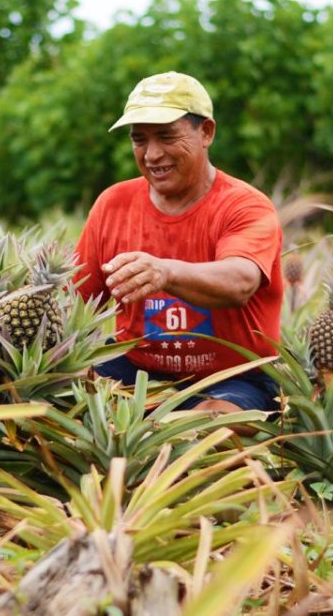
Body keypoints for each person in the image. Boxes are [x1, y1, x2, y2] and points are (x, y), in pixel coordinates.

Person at [73, 71, 284, 415]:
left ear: (206, 132)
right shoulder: (113, 204)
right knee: (61, 398)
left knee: (212, 423)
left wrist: (165, 272)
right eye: (139, 140)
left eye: (167, 136)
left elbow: (240, 281)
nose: (152, 154)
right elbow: (75, 300)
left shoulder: (246, 205)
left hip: (234, 378)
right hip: (135, 368)